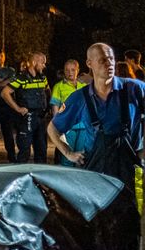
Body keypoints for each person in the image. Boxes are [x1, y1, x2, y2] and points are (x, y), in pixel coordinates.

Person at [49, 42, 145, 195]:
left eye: (111, 59)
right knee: (99, 218)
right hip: (96, 174)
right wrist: (68, 153)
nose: (109, 64)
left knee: (133, 216)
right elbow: (53, 128)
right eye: (103, 60)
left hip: (131, 172)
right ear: (89, 63)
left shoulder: (135, 89)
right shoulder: (80, 98)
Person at [1, 52, 50, 164]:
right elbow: (4, 93)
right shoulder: (21, 77)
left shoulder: (43, 77)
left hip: (41, 117)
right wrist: (17, 108)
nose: (44, 65)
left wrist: (49, 106)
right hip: (26, 118)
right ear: (34, 62)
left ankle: (41, 179)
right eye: (42, 62)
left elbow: (48, 91)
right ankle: (19, 177)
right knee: (24, 151)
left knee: (42, 150)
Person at [50, 59, 89, 167]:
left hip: (83, 127)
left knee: (82, 157)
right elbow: (55, 108)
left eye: (73, 70)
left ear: (78, 70)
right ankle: (65, 182)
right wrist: (58, 127)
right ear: (64, 71)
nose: (70, 72)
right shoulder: (58, 87)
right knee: (67, 158)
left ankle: (79, 182)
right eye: (67, 70)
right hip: (67, 128)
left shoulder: (84, 86)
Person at [0, 50, 18, 162]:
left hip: (7, 106)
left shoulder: (10, 70)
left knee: (8, 133)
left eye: (1, 55)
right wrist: (4, 82)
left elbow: (11, 82)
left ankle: (11, 156)